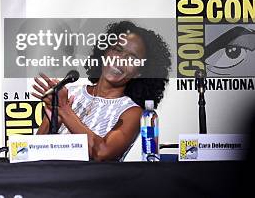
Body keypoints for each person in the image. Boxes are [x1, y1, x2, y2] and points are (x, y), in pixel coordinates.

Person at [32, 21, 171, 161]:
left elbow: (102, 153)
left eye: (131, 58)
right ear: (104, 52)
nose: (120, 60)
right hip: (52, 179)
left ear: (139, 72)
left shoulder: (133, 113)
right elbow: (35, 151)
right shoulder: (70, 94)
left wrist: (64, 110)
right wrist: (54, 120)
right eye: (117, 49)